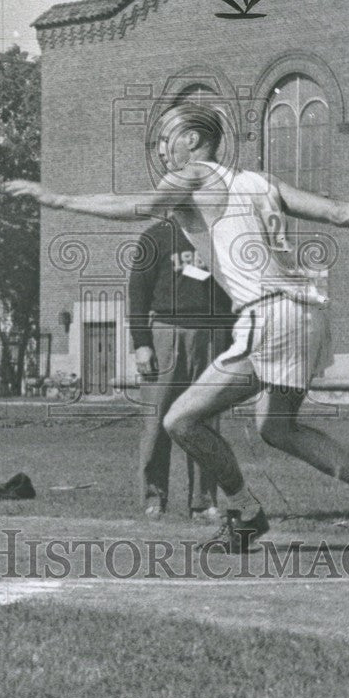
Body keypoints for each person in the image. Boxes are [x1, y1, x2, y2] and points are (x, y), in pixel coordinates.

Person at [5, 102, 349, 550]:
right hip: (308, 313)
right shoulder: (261, 181)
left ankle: (245, 513)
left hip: (271, 315)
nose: (162, 151)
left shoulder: (196, 175)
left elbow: (135, 206)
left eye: (167, 138)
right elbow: (338, 213)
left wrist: (59, 199)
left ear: (194, 140)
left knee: (180, 419)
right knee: (278, 429)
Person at [129, 214, 233, 519]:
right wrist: (141, 343)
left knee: (204, 421)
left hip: (212, 335)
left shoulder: (220, 235)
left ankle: (203, 501)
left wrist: (233, 340)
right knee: (156, 420)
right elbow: (137, 292)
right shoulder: (156, 236)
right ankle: (154, 498)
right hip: (166, 331)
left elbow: (232, 292)